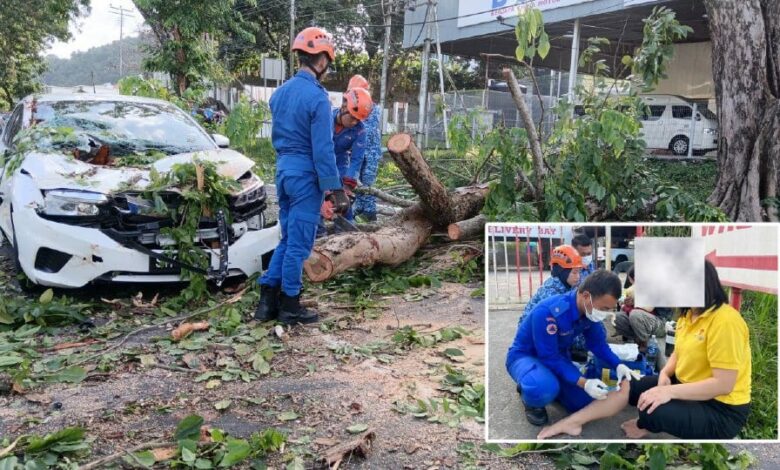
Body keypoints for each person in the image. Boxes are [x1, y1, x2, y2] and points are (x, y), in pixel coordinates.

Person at [537, 260, 751, 440]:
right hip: (687, 386)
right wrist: (665, 373)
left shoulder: (725, 322)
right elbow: (679, 353)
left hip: (720, 408)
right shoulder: (689, 315)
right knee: (628, 383)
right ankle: (572, 422)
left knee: (651, 410)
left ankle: (646, 424)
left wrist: (668, 391)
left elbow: (723, 385)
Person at [254, 27, 351, 325]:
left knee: (287, 240)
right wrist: (335, 189)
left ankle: (266, 304)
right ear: (321, 60)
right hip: (305, 177)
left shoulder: (280, 94)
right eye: (327, 62)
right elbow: (323, 149)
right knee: (300, 245)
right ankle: (290, 307)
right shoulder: (318, 99)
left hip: (283, 173)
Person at [506, 270, 639, 426]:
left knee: (583, 402)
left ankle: (550, 384)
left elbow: (598, 344)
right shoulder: (549, 312)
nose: (605, 314)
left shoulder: (588, 311)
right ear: (586, 296)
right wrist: (583, 382)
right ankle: (530, 395)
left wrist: (618, 365)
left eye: (609, 309)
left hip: (558, 357)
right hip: (525, 357)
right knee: (542, 388)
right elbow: (549, 357)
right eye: (603, 308)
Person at [316, 85, 373, 236]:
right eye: (353, 118)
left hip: (340, 165)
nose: (354, 122)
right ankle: (318, 237)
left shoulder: (360, 130)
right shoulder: (325, 120)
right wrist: (326, 191)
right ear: (343, 106)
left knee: (344, 206)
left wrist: (346, 188)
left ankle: (347, 238)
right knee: (316, 204)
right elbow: (318, 150)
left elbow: (357, 159)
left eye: (358, 119)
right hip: (319, 164)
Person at [347, 75, 383, 222]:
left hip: (370, 153)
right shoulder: (354, 107)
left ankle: (369, 213)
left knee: (367, 182)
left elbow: (365, 131)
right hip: (359, 152)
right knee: (357, 181)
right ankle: (360, 208)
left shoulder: (372, 109)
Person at [520, 245, 584, 323]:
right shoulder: (550, 292)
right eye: (574, 272)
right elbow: (560, 319)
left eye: (579, 272)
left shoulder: (568, 284)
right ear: (563, 272)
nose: (578, 276)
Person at [614, 265, 666, 354]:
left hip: (661, 325)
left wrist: (634, 303)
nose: (631, 284)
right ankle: (636, 341)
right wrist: (625, 304)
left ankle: (644, 345)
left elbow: (649, 308)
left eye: (631, 281)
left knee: (635, 314)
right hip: (647, 322)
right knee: (617, 317)